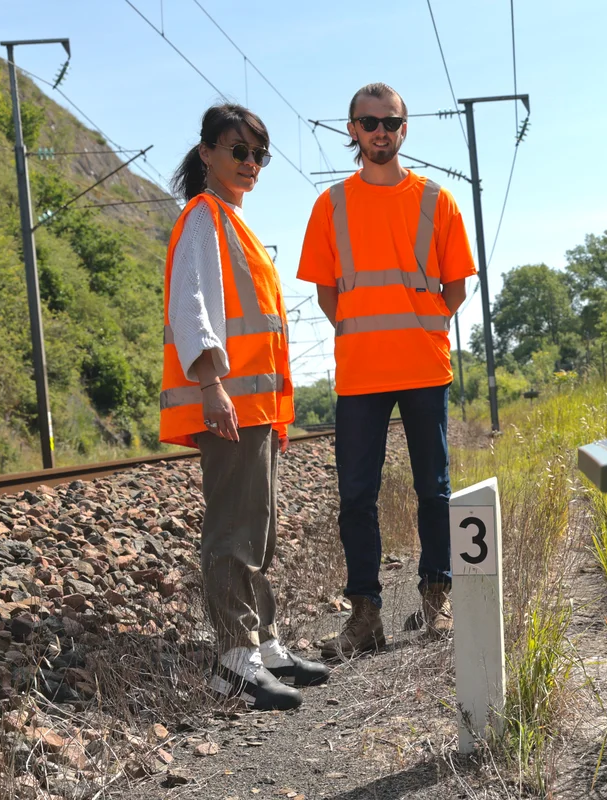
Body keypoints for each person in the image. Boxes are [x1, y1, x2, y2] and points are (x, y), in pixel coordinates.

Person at [297, 83, 477, 657]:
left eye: (390, 121)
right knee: (356, 496)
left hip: (424, 367)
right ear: (351, 129)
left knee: (435, 490)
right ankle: (365, 616)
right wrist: (366, 331)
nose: (380, 131)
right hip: (360, 372)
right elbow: (328, 293)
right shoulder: (331, 205)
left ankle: (436, 600)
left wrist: (416, 326)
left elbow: (457, 286)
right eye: (368, 122)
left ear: (405, 129)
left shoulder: (436, 200)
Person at [161, 103, 330, 710]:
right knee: (235, 527)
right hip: (228, 402)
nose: (251, 163)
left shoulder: (232, 221)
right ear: (207, 153)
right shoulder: (204, 218)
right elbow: (192, 308)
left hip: (256, 407)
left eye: (259, 155)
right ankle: (235, 659)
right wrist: (211, 386)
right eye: (239, 151)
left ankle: (265, 643)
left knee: (259, 526)